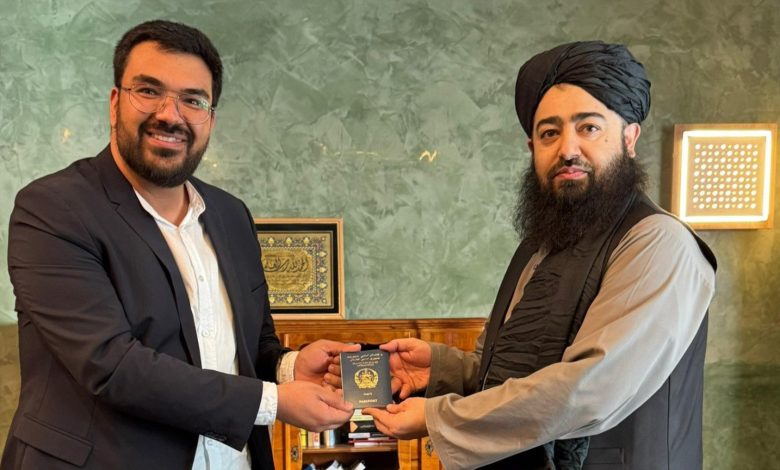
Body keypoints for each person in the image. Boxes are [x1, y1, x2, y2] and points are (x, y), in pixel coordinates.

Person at [2, 20, 358, 470]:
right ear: (114, 102)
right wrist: (273, 401)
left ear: (210, 118)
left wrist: (291, 367)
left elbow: (251, 344)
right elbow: (111, 365)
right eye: (148, 91)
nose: (170, 114)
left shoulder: (231, 215)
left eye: (193, 100)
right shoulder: (53, 208)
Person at [360, 41, 717, 469]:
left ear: (629, 138)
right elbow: (512, 373)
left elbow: (587, 390)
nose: (567, 149)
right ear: (532, 148)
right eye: (550, 133)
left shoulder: (656, 242)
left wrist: (438, 417)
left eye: (589, 128)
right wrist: (440, 369)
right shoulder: (540, 246)